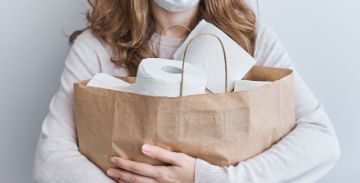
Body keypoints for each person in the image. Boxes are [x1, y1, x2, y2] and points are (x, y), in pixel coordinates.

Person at [33, 0, 341, 182]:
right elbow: (50, 158)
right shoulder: (97, 46)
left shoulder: (249, 40)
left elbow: (321, 141)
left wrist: (210, 179)